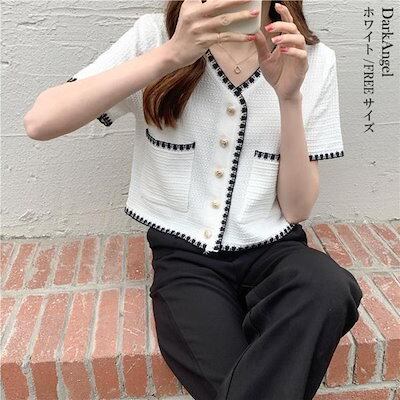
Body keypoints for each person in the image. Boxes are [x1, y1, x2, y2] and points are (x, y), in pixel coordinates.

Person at [24, 1, 363, 399]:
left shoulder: (312, 59)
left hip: (275, 251)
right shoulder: (156, 37)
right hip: (187, 260)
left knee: (328, 287)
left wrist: (289, 99)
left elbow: (297, 208)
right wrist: (171, 54)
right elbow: (40, 121)